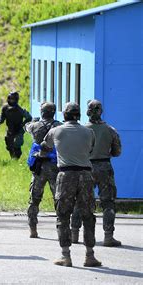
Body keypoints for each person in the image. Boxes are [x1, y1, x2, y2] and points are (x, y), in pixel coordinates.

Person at [41, 102, 101, 267]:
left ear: (65, 115)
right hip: (86, 175)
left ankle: (65, 256)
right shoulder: (89, 132)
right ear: (79, 115)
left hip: (66, 175)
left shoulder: (56, 131)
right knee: (88, 215)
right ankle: (90, 256)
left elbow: (45, 146)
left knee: (63, 215)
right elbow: (90, 150)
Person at [71, 100, 122, 247]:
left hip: (86, 167)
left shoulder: (82, 130)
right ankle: (108, 236)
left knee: (80, 201)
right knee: (108, 202)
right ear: (101, 111)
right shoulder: (110, 130)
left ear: (87, 112)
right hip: (105, 167)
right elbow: (117, 152)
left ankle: (74, 233)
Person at [25, 102, 62, 238]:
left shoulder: (35, 126)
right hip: (54, 165)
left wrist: (32, 121)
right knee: (58, 198)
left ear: (42, 112)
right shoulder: (59, 126)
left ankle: (33, 228)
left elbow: (27, 127)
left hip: (39, 166)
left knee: (34, 199)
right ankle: (61, 228)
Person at [0, 91, 32, 159]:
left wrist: (23, 125)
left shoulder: (20, 109)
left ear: (16, 100)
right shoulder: (5, 108)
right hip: (10, 129)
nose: (11, 100)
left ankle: (17, 157)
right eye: (10, 99)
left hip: (19, 129)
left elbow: (29, 117)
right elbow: (2, 116)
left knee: (17, 144)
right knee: (9, 144)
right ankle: (13, 157)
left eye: (13, 99)